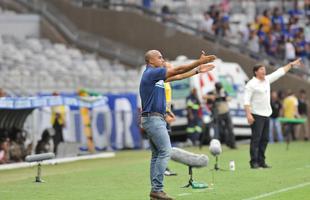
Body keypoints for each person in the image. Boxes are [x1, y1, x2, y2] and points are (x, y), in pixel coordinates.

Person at [140, 50, 216, 200]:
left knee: (157, 155)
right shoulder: (151, 73)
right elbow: (178, 69)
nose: (162, 59)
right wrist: (199, 62)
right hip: (154, 119)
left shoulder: (155, 76)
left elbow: (178, 76)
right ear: (150, 61)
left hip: (155, 118)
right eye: (159, 57)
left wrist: (196, 71)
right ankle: (157, 190)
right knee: (165, 151)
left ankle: (156, 192)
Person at [244, 58, 302, 169]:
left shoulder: (266, 80)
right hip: (256, 115)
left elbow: (280, 72)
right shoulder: (251, 84)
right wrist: (248, 114)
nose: (264, 71)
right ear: (256, 72)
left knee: (265, 139)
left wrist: (291, 65)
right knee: (256, 139)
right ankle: (253, 162)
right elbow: (246, 101)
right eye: (261, 69)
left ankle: (261, 161)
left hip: (266, 115)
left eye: (264, 69)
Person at [205, 82, 236, 149]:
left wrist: (225, 98)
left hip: (226, 112)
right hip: (218, 113)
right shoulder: (212, 92)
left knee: (230, 129)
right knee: (221, 130)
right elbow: (204, 97)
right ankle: (225, 143)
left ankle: (232, 144)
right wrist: (212, 97)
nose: (219, 90)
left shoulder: (223, 91)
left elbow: (229, 98)